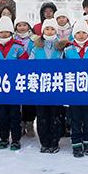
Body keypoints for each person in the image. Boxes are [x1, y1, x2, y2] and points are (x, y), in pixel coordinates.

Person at [0, 16, 29, 152]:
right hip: (0, 87)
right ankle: (4, 138)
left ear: (11, 32)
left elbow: (25, 64)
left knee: (15, 114)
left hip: (15, 86)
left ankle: (16, 139)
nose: (4, 34)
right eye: (1, 32)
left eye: (7, 32)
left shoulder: (18, 47)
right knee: (2, 114)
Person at [63, 19, 88, 158]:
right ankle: (76, 144)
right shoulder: (67, 50)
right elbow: (62, 71)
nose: (81, 35)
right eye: (78, 32)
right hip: (74, 91)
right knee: (75, 119)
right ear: (74, 34)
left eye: (84, 32)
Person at [30, 18, 68, 153]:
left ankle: (54, 141)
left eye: (52, 29)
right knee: (42, 115)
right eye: (47, 29)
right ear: (42, 31)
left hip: (56, 86)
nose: (50, 31)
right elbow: (30, 65)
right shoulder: (36, 47)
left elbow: (66, 65)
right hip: (40, 86)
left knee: (55, 115)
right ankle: (44, 142)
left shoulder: (62, 47)